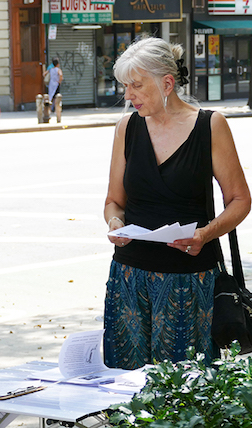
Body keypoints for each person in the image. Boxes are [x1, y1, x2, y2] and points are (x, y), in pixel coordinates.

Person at [104, 37, 251, 370]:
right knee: (125, 390)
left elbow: (240, 200)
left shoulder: (210, 125)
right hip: (128, 278)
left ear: (167, 83)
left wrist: (204, 235)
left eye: (137, 86)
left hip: (188, 281)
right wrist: (115, 223)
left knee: (182, 392)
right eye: (126, 86)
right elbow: (113, 202)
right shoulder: (126, 127)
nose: (128, 96)